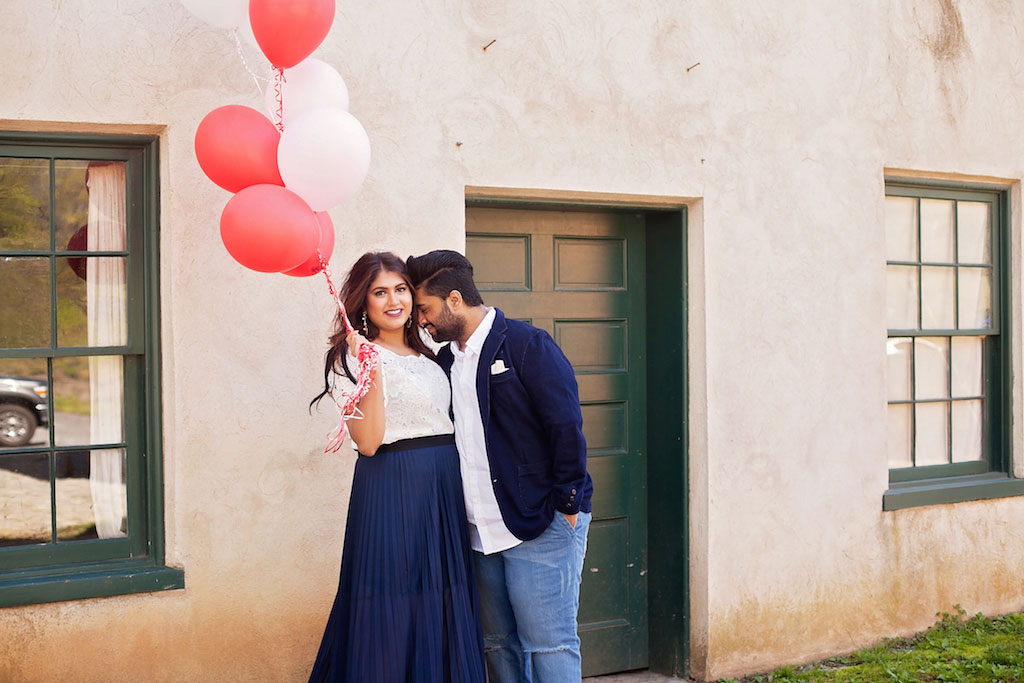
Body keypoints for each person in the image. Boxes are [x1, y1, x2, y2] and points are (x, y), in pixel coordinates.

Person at [406, 249, 593, 682]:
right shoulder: (446, 361)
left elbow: (566, 427)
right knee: (497, 646)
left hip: (540, 525)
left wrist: (567, 503)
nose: (422, 321)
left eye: (425, 309)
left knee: (551, 644)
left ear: (454, 299)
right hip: (478, 533)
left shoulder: (527, 345)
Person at [308, 251, 485, 683]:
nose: (394, 300)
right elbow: (367, 442)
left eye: (401, 289)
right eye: (379, 292)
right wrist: (370, 368)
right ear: (363, 302)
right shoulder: (349, 358)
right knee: (391, 598)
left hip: (442, 487)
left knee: (440, 597)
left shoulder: (433, 357)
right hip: (391, 484)